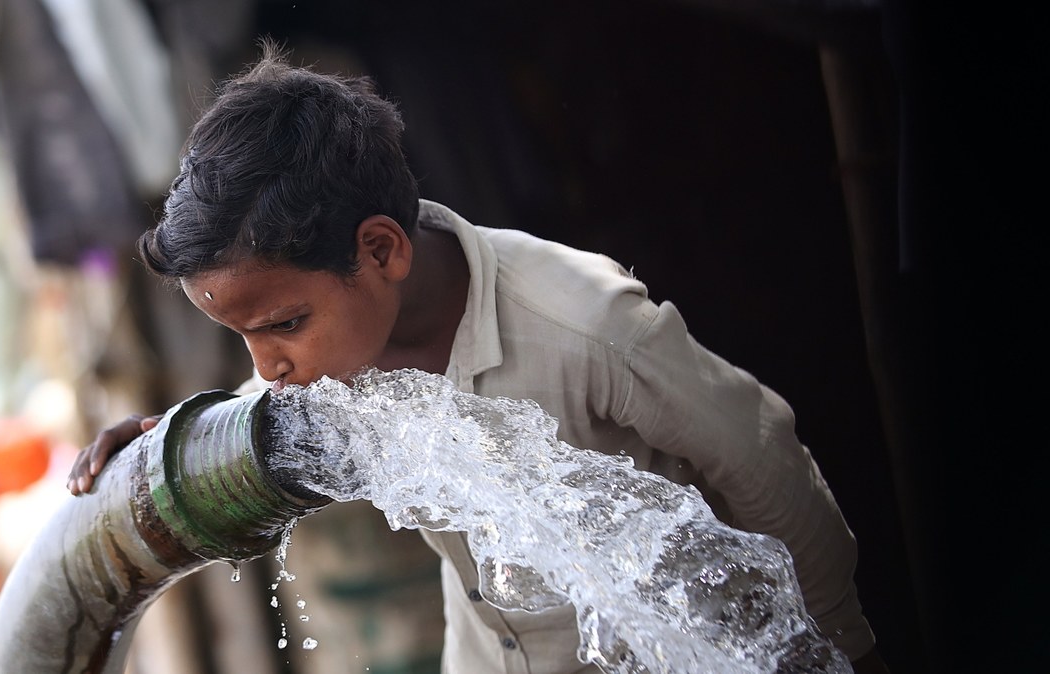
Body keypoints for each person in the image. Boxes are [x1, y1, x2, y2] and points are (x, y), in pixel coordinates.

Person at [66, 43, 890, 673]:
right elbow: (260, 416)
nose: (269, 366)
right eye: (244, 337)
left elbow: (764, 464)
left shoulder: (585, 324)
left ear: (381, 251)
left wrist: (841, 651)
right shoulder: (338, 360)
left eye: (282, 322)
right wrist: (173, 441)